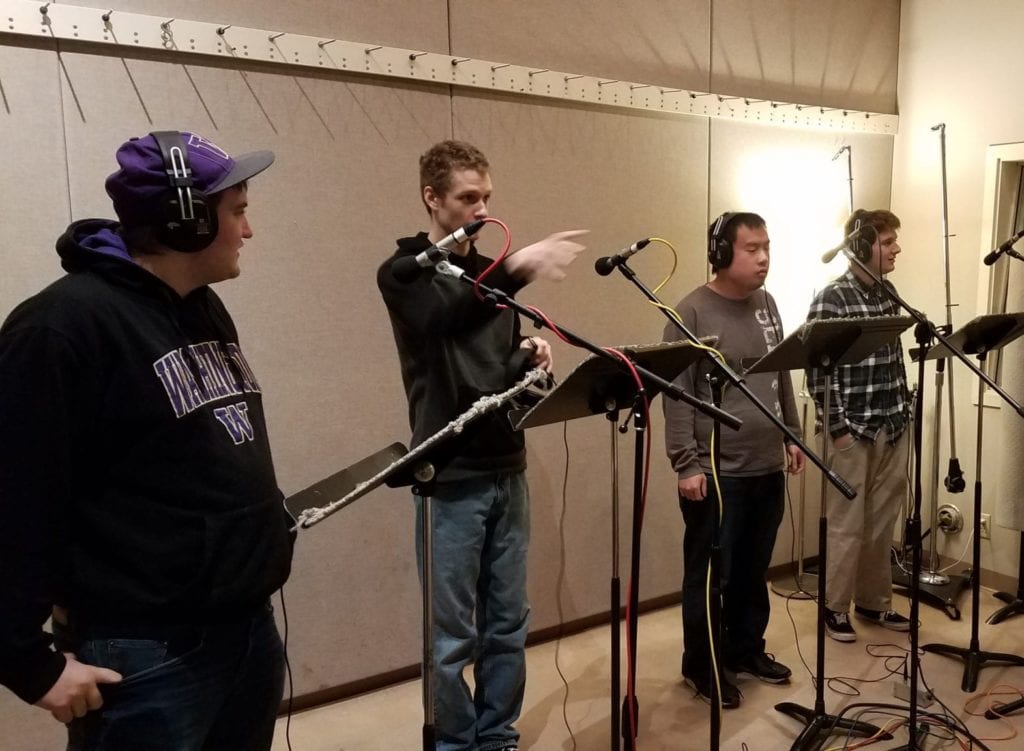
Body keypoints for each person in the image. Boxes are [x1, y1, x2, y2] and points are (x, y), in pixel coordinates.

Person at [0, 131, 294, 750]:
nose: (248, 231)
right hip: (146, 655)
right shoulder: (59, 329)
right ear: (186, 222)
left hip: (243, 630)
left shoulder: (201, 307)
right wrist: (27, 663)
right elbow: (15, 499)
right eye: (237, 211)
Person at [377, 140, 585, 751]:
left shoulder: (488, 277)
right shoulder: (406, 271)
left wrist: (529, 358)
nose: (481, 208)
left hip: (506, 465)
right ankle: (454, 743)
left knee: (507, 625)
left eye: (487, 197)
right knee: (450, 639)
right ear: (432, 198)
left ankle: (497, 737)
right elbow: (446, 317)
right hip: (449, 473)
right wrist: (518, 267)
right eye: (469, 198)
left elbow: (492, 357)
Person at [663, 212, 805, 708]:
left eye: (767, 246)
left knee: (753, 569)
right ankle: (701, 666)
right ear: (722, 253)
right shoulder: (691, 313)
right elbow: (677, 393)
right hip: (717, 473)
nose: (764, 258)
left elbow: (781, 371)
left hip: (767, 463)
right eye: (751, 248)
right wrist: (686, 463)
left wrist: (791, 433)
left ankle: (746, 650)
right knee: (710, 577)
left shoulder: (768, 304)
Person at [806, 208, 912, 642]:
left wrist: (903, 415)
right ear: (862, 246)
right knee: (848, 525)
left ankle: (874, 602)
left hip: (892, 424)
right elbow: (815, 370)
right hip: (851, 430)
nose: (896, 249)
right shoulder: (832, 298)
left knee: (881, 522)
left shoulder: (889, 293)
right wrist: (837, 430)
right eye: (887, 242)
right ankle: (834, 607)